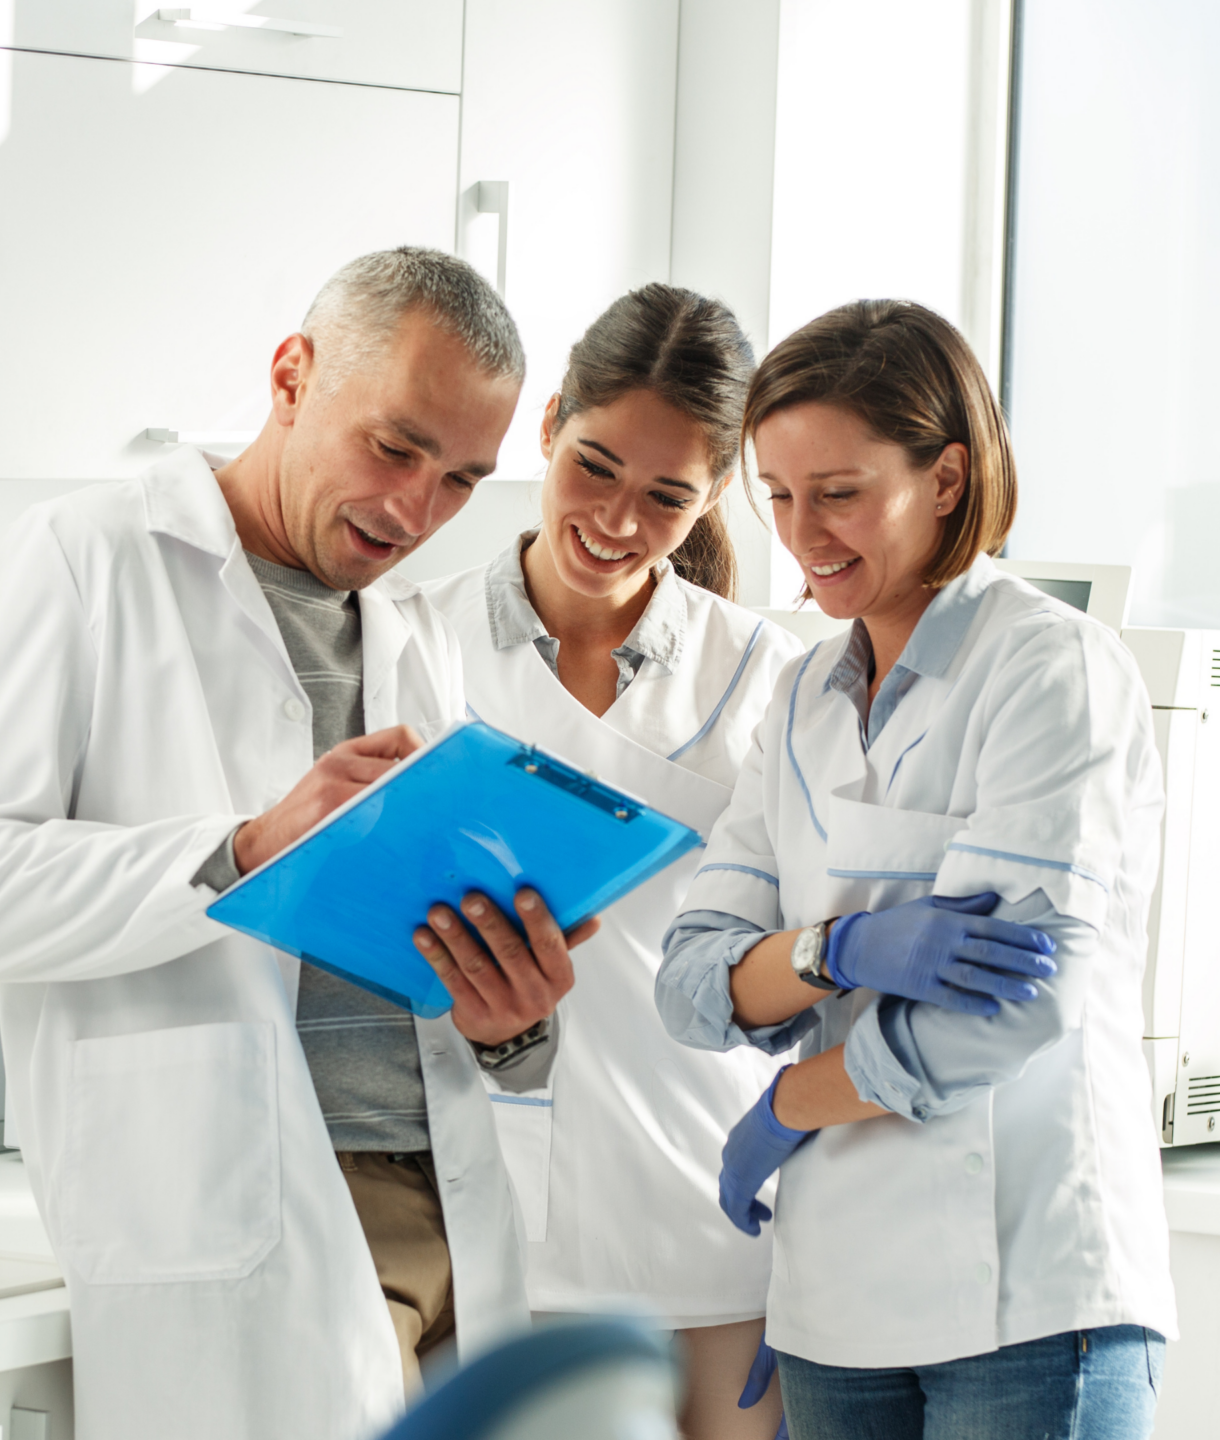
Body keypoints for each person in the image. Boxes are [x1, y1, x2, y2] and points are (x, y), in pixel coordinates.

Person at [0, 248, 596, 1440]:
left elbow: (407, 957)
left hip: (451, 1209)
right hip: (257, 1206)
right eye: (394, 447)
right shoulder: (84, 557)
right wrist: (240, 846)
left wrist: (512, 1020)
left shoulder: (405, 632)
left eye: (460, 481)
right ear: (292, 374)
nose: (414, 512)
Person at [656, 299, 1174, 1439]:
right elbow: (692, 981)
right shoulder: (798, 698)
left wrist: (792, 1094)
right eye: (777, 495)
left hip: (1027, 1295)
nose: (802, 533)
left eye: (838, 493)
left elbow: (1013, 1011)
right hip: (835, 1302)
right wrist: (834, 950)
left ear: (945, 477)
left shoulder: (1047, 669)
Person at [420, 283, 802, 1440]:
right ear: (547, 427)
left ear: (718, 492)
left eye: (666, 497)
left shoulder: (767, 675)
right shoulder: (413, 644)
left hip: (714, 1224)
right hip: (489, 1227)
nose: (618, 520)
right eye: (594, 468)